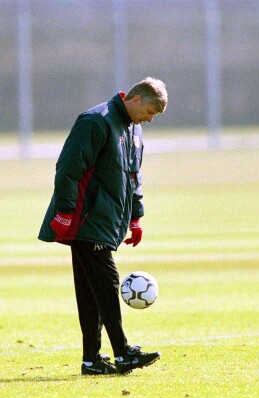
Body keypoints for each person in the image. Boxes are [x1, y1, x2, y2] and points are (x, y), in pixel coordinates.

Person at [38, 77, 168, 375]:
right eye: (149, 111)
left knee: (91, 290)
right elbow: (69, 167)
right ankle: (123, 353)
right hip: (85, 219)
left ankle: (92, 360)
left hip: (105, 221)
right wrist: (65, 212)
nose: (150, 119)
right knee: (107, 284)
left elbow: (133, 177)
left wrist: (135, 217)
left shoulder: (134, 131)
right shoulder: (96, 122)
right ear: (135, 99)